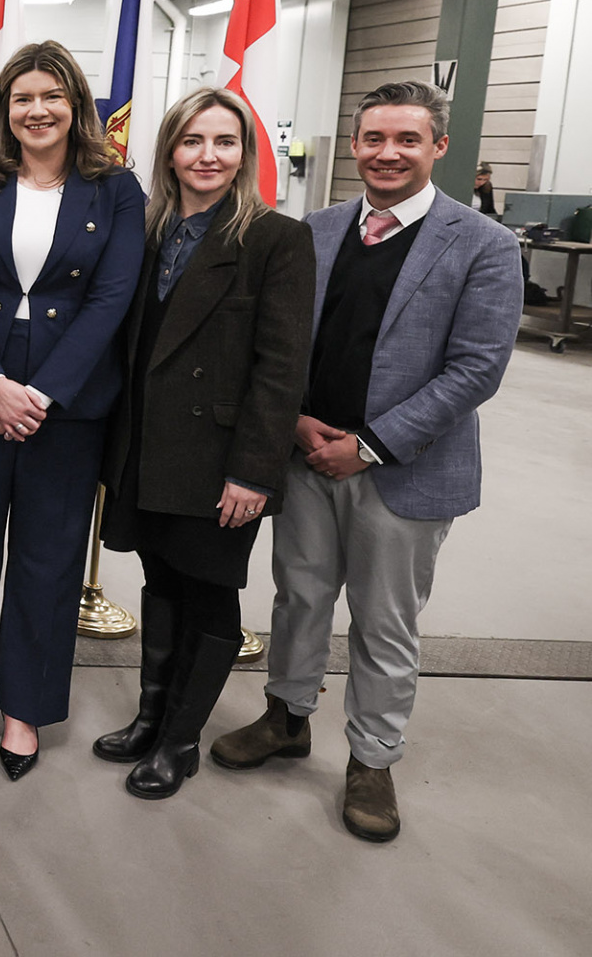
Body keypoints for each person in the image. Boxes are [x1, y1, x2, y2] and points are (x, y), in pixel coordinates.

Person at [209, 80, 522, 842]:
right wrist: (296, 422)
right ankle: (286, 717)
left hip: (403, 470)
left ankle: (373, 760)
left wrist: (371, 444)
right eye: (374, 138)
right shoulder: (312, 231)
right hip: (308, 455)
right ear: (353, 145)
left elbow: (477, 368)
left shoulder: (482, 244)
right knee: (299, 597)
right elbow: (279, 342)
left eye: (407, 139)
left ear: (438, 147)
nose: (388, 153)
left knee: (384, 622)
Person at [0, 40, 145, 781]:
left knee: (48, 560)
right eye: (23, 98)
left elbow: (112, 297)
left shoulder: (116, 188)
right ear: (4, 109)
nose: (38, 109)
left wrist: (42, 393)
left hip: (67, 402)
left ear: (75, 105)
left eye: (52, 96)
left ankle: (24, 706)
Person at [94, 87, 315, 799]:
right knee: (161, 583)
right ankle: (150, 718)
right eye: (192, 141)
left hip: (218, 460)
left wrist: (254, 471)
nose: (207, 156)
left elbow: (281, 369)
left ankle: (181, 740)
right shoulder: (147, 232)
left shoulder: (276, 239)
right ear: (169, 152)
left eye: (224, 142)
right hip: (146, 446)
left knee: (209, 592)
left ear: (244, 154)